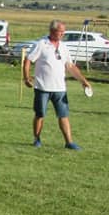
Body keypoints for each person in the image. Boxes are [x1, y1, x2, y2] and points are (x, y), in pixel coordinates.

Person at [22, 20, 92, 150]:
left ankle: (69, 142)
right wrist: (26, 77)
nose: (62, 34)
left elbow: (70, 66)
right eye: (61, 32)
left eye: (63, 32)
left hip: (60, 89)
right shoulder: (41, 44)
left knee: (63, 115)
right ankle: (37, 139)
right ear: (52, 31)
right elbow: (28, 60)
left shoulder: (64, 47)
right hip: (42, 88)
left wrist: (83, 81)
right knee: (40, 114)